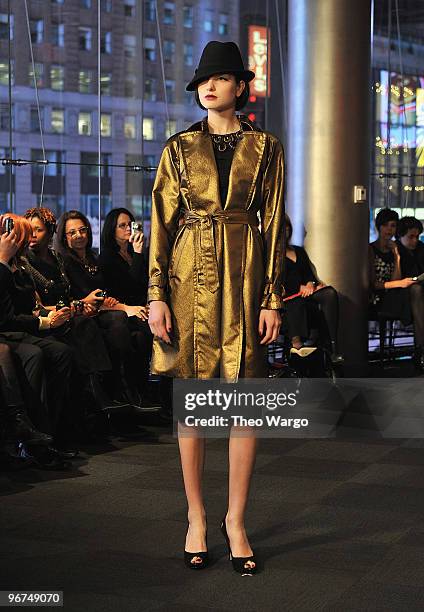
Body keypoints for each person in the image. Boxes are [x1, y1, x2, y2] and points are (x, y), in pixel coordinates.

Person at [148, 41, 285, 575]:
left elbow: (274, 226)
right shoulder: (178, 148)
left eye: (221, 78)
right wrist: (156, 294)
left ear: (239, 87)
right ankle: (197, 518)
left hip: (246, 276)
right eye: (204, 80)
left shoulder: (266, 148)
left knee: (242, 403)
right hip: (189, 275)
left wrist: (272, 297)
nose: (209, 86)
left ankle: (237, 521)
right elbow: (159, 223)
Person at [22, 207, 119, 416]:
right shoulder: (24, 261)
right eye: (28, 230)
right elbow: (34, 305)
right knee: (84, 324)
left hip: (67, 314)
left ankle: (101, 391)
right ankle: (96, 392)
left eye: (37, 230)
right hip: (47, 320)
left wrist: (78, 305)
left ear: (49, 232)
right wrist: (76, 306)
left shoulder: (57, 258)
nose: (32, 235)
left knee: (97, 322)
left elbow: (68, 295)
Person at [54, 210, 151, 406]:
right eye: (72, 232)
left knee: (132, 327)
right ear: (64, 237)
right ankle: (120, 390)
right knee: (119, 321)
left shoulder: (92, 258)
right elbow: (89, 297)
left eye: (82, 230)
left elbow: (105, 293)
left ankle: (131, 392)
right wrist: (124, 307)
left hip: (101, 311)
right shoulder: (65, 261)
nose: (79, 235)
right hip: (81, 314)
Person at [0, 214, 74, 469]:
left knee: (61, 351)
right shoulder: (4, 265)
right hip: (8, 333)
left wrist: (47, 315)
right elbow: (5, 317)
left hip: (19, 330)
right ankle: (32, 437)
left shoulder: (19, 266)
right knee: (35, 354)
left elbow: (30, 307)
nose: (26, 238)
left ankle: (49, 431)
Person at [369, 208, 423, 371]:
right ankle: (420, 351)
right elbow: (373, 284)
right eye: (386, 225)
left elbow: (395, 279)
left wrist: (397, 256)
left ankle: (420, 351)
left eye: (392, 226)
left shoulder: (395, 250)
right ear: (378, 227)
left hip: (394, 295)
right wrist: (400, 284)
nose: (389, 230)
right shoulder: (370, 249)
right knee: (415, 291)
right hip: (378, 298)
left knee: (416, 291)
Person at [283, 214, 342, 362]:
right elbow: (276, 280)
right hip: (287, 295)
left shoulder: (299, 250)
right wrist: (298, 287)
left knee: (329, 293)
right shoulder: (272, 256)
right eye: (282, 228)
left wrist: (310, 284)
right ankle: (297, 346)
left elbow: (308, 274)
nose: (286, 231)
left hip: (307, 292)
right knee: (296, 305)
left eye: (288, 227)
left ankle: (332, 348)